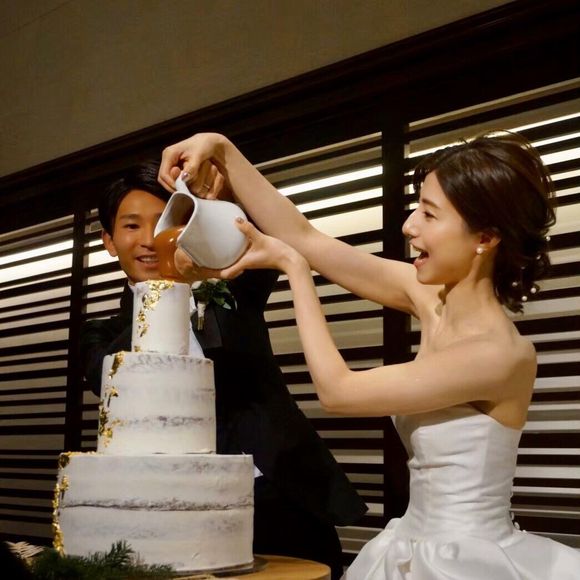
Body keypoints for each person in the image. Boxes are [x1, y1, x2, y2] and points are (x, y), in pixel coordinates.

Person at [158, 131, 580, 579]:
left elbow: (338, 392)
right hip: (409, 544)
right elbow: (303, 236)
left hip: (469, 562)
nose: (409, 226)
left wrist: (294, 269)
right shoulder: (428, 298)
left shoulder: (499, 355)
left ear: (486, 236)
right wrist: (222, 148)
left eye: (429, 214)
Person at [79, 161, 368, 580]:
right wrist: (167, 291)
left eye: (162, 221)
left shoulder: (231, 284)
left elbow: (273, 231)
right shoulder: (101, 332)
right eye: (131, 226)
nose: (149, 239)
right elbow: (104, 378)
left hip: (277, 495)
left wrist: (221, 190)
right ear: (109, 241)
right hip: (174, 517)